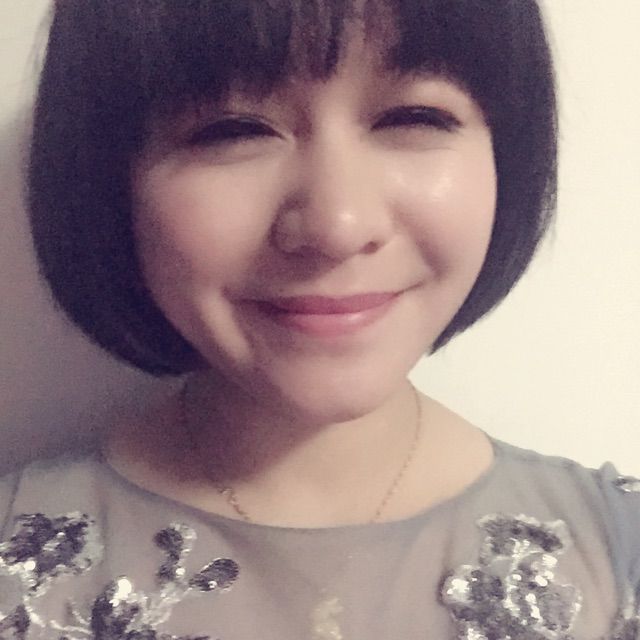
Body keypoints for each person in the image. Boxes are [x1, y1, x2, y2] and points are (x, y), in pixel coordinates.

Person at [1, 0, 638, 638]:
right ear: (112, 182)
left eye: (412, 117)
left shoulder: (619, 557)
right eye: (233, 130)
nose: (338, 225)